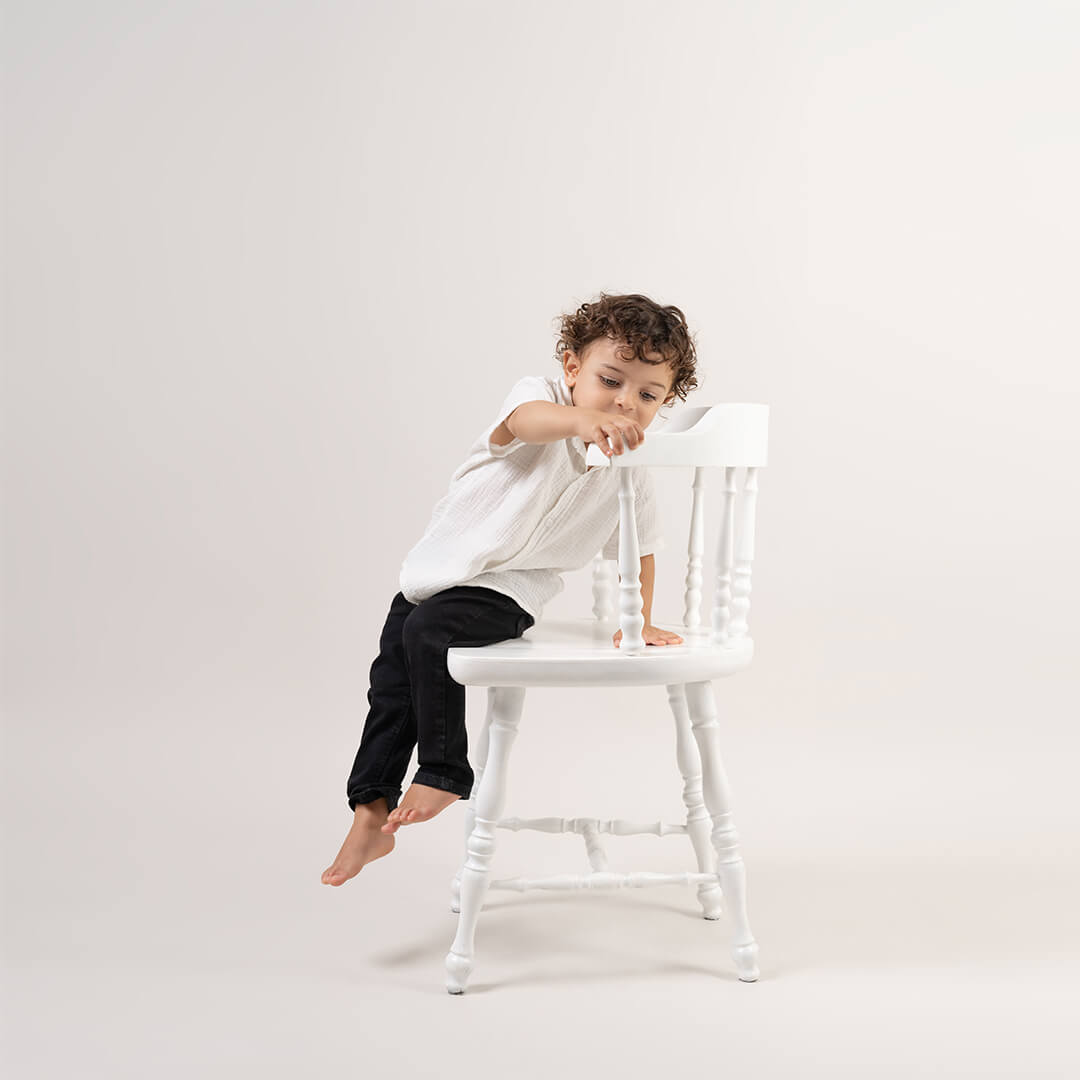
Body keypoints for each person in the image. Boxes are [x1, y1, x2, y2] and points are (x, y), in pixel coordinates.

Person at [321, 292, 700, 886]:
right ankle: (369, 812)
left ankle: (445, 771)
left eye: (648, 395)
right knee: (391, 686)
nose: (625, 402)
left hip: (509, 593)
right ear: (571, 368)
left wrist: (641, 618)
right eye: (609, 381)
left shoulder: (629, 471)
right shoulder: (538, 401)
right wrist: (584, 421)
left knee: (430, 632)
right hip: (438, 573)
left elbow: (641, 546)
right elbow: (526, 422)